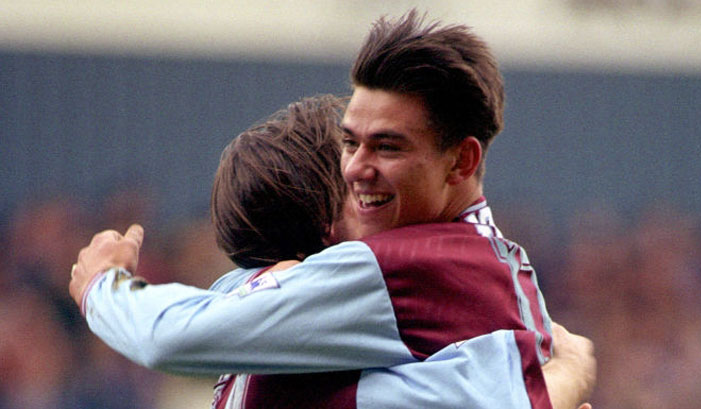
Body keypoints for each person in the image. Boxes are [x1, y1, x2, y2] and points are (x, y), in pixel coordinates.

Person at [69, 11, 595, 409]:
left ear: (461, 160)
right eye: (350, 143)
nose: (356, 168)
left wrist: (102, 286)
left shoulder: (411, 264)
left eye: (387, 146)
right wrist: (561, 380)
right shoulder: (479, 263)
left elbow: (171, 337)